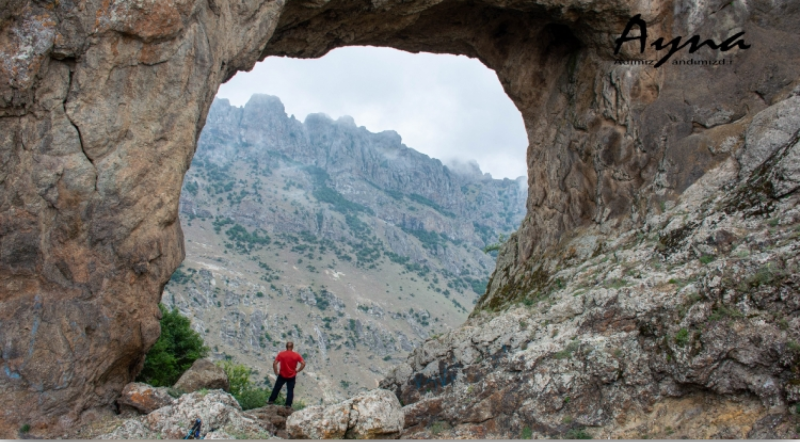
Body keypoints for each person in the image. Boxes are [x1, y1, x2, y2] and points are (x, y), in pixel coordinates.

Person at [267, 341, 305, 408]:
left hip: (282, 374)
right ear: (292, 347)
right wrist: (298, 370)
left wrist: (276, 371)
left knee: (276, 388)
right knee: (290, 390)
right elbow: (303, 363)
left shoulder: (281, 354)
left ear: (286, 347)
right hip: (292, 375)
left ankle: (271, 400)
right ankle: (288, 405)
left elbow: (275, 363)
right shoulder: (296, 355)